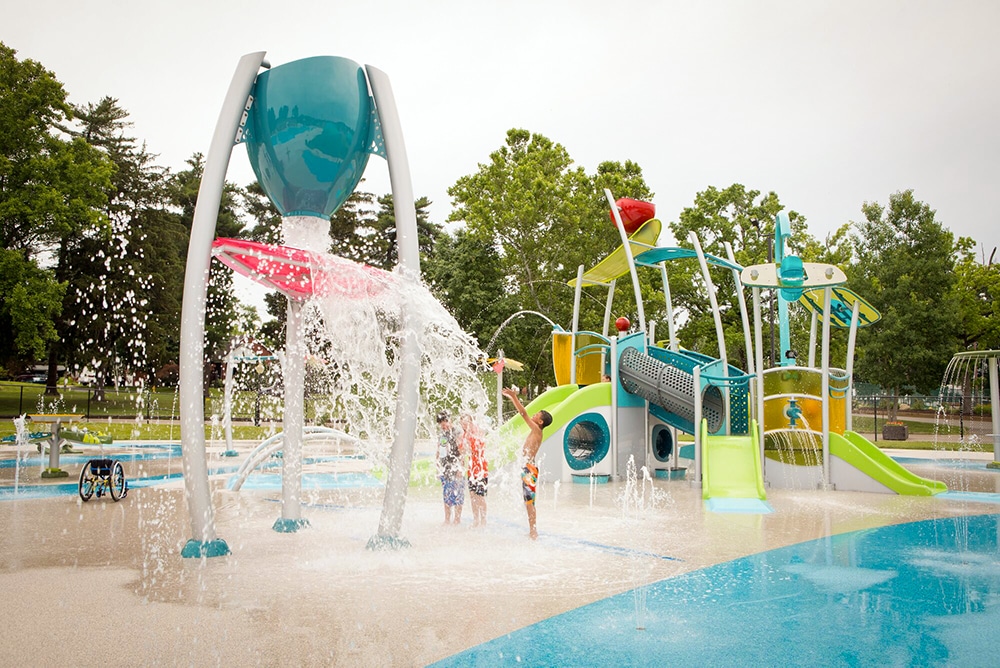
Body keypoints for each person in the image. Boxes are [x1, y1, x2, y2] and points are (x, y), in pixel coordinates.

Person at [502, 387, 552, 540]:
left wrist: (513, 397)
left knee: (529, 501)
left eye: (537, 415)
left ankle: (533, 531)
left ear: (540, 421)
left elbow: (523, 413)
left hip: (529, 469)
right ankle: (532, 529)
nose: (534, 415)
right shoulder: (536, 431)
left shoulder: (537, 429)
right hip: (528, 468)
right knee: (528, 501)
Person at [460, 413, 488, 527]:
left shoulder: (477, 433)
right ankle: (476, 519)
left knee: (480, 496)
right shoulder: (464, 436)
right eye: (462, 422)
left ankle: (484, 520)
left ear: (471, 422)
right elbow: (463, 452)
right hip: (471, 471)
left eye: (466, 421)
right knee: (472, 495)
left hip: (481, 469)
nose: (464, 424)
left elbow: (480, 446)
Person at [435, 412, 464, 524]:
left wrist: (460, 468)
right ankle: (447, 519)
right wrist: (437, 466)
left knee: (458, 493)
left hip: (456, 466)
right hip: (445, 467)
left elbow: (462, 451)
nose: (444, 424)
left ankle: (457, 519)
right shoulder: (442, 434)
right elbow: (438, 450)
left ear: (450, 420)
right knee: (446, 492)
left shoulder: (457, 431)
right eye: (441, 423)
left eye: (445, 421)